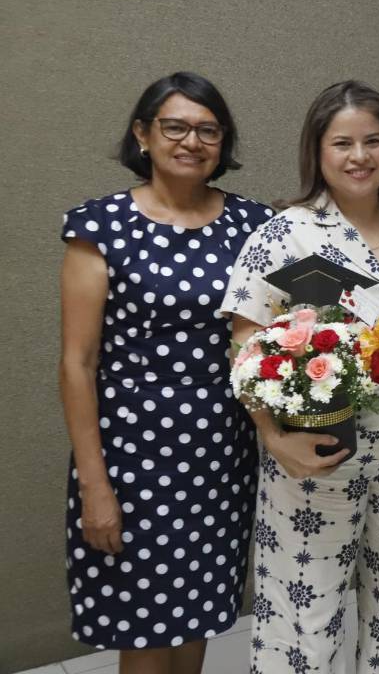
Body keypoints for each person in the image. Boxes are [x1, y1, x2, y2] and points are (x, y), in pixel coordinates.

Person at [223, 81, 379, 674]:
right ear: (317, 151)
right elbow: (245, 343)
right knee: (305, 623)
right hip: (317, 458)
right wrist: (273, 437)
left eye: (373, 141)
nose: (360, 156)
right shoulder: (286, 232)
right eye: (342, 143)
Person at [59, 72, 273, 672]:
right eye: (175, 127)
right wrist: (94, 486)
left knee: (197, 613)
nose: (191, 141)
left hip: (221, 454)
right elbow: (77, 364)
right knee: (146, 627)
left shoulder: (251, 225)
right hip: (131, 458)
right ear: (143, 134)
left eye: (208, 130)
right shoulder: (101, 226)